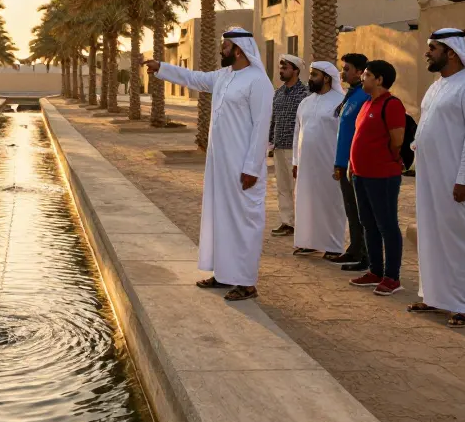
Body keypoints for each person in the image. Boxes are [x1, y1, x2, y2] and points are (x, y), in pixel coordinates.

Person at [144, 28, 274, 301]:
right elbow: (194, 78)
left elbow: (262, 128)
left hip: (243, 167)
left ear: (238, 49)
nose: (221, 50)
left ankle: (247, 282)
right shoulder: (224, 77)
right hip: (219, 165)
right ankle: (225, 275)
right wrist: (161, 67)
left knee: (243, 222)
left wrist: (252, 168)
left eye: (224, 46)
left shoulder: (258, 81)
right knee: (221, 219)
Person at [408, 28, 465, 328]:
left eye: (433, 48)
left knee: (463, 240)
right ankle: (435, 297)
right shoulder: (437, 85)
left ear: (451, 52)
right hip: (431, 177)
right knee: (432, 236)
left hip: (457, 180)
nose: (427, 53)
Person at [347, 60, 407, 297]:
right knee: (368, 224)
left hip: (382, 177)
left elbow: (397, 141)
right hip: (361, 176)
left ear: (380, 79)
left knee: (387, 225)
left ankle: (392, 277)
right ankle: (375, 270)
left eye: (368, 75)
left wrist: (387, 160)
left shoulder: (391, 104)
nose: (363, 78)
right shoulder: (366, 104)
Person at [290, 62, 347, 259]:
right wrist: (295, 161)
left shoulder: (340, 101)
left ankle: (333, 245)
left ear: (327, 78)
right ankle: (308, 242)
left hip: (329, 163)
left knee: (331, 203)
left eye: (314, 75)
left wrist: (342, 162)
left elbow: (344, 134)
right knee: (306, 201)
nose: (310, 78)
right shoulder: (305, 102)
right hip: (306, 163)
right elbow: (298, 132)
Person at [333, 53, 371, 270]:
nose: (343, 72)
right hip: (344, 162)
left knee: (361, 211)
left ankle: (366, 254)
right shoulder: (351, 94)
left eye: (347, 69)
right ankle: (355, 249)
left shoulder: (364, 97)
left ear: (359, 72)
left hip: (356, 164)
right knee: (351, 209)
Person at [270, 54, 310, 237]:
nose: (281, 70)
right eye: (281, 67)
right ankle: (287, 222)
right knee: (283, 187)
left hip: (296, 149)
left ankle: (303, 223)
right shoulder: (277, 93)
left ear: (295, 70)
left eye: (285, 68)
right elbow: (273, 119)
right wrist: (270, 140)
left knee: (298, 187)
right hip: (279, 146)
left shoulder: (305, 94)